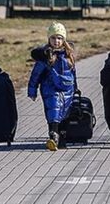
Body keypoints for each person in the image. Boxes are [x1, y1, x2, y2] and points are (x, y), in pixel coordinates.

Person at [27, 22, 77, 151]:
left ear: (64, 39)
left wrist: (75, 88)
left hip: (67, 90)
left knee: (65, 113)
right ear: (49, 39)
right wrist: (32, 90)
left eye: (59, 38)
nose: (56, 41)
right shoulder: (45, 57)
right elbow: (35, 75)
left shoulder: (68, 55)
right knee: (53, 111)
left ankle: (63, 138)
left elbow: (73, 73)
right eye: (53, 38)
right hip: (51, 89)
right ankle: (53, 135)